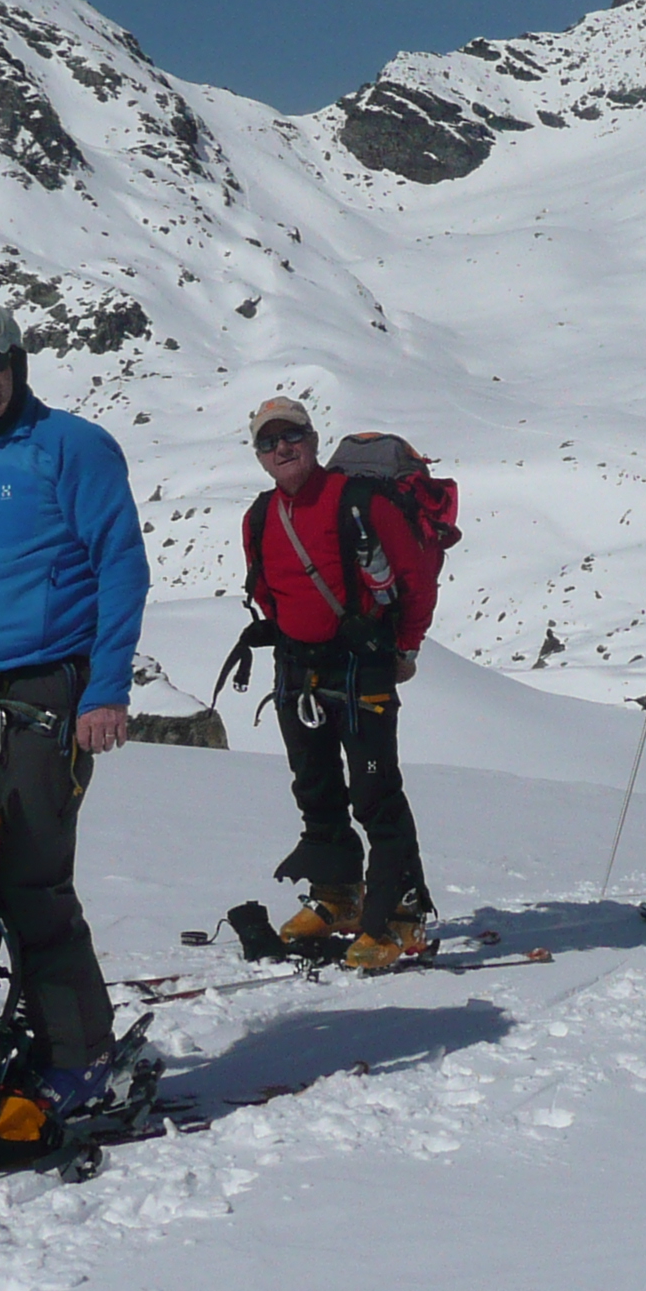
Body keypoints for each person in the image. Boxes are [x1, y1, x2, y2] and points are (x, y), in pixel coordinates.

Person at [0, 301, 150, 1117]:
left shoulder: (71, 446)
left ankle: (83, 1064)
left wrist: (108, 688)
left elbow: (120, 563)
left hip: (49, 690)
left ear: (19, 361)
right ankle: (44, 1039)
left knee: (34, 884)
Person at [241, 397, 441, 972]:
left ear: (312, 438)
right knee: (316, 788)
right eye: (268, 441)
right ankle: (339, 897)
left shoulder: (361, 503)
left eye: (291, 436)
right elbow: (268, 591)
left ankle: (400, 914)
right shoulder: (258, 516)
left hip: (363, 665)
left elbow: (414, 579)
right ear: (258, 453)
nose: (282, 449)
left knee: (376, 794)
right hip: (298, 668)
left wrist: (405, 647)